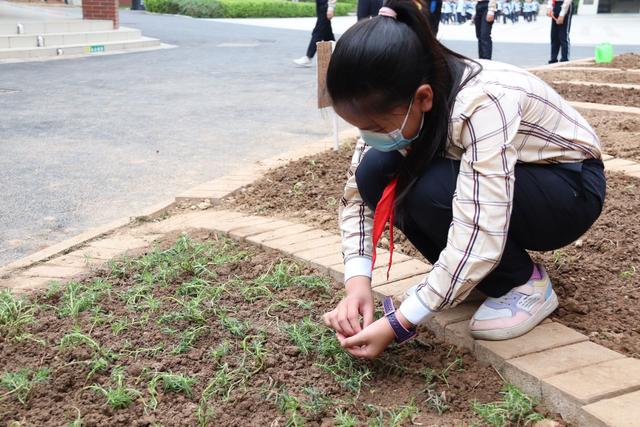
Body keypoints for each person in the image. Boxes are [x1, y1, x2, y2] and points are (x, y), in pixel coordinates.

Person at [322, 0, 605, 359]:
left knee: (429, 190)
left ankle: (525, 284)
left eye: (375, 127)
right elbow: (358, 197)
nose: (367, 136)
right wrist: (357, 283)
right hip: (523, 180)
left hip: (568, 187)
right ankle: (480, 276)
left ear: (423, 98)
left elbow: (480, 223)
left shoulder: (481, 102)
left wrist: (401, 321)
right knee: (374, 171)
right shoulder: (401, 96)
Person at [293, 0, 336, 67]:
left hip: (326, 5)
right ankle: (337, 55)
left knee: (318, 31)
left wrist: (331, 7)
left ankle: (308, 57)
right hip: (320, 4)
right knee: (327, 34)